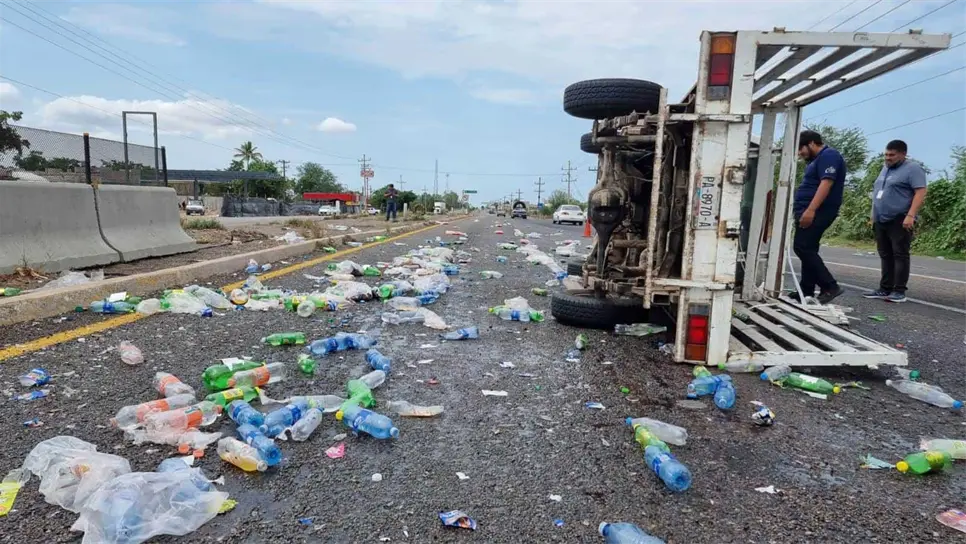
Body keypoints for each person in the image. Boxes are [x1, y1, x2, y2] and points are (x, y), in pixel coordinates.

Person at [863, 140, 927, 303]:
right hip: (881, 218)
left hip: (900, 218)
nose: (888, 158)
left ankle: (899, 291)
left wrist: (911, 215)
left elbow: (920, 191)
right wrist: (873, 215)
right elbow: (878, 192)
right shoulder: (885, 168)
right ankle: (885, 288)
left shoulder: (913, 168)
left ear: (903, 154)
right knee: (885, 254)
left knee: (900, 254)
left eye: (892, 155)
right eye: (886, 154)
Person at [791, 130, 845, 304]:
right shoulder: (816, 160)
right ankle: (806, 290)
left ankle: (829, 285)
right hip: (809, 209)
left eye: (801, 149)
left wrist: (811, 210)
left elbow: (826, 183)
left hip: (820, 210)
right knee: (809, 248)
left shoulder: (829, 155)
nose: (800, 153)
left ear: (812, 143)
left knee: (802, 247)